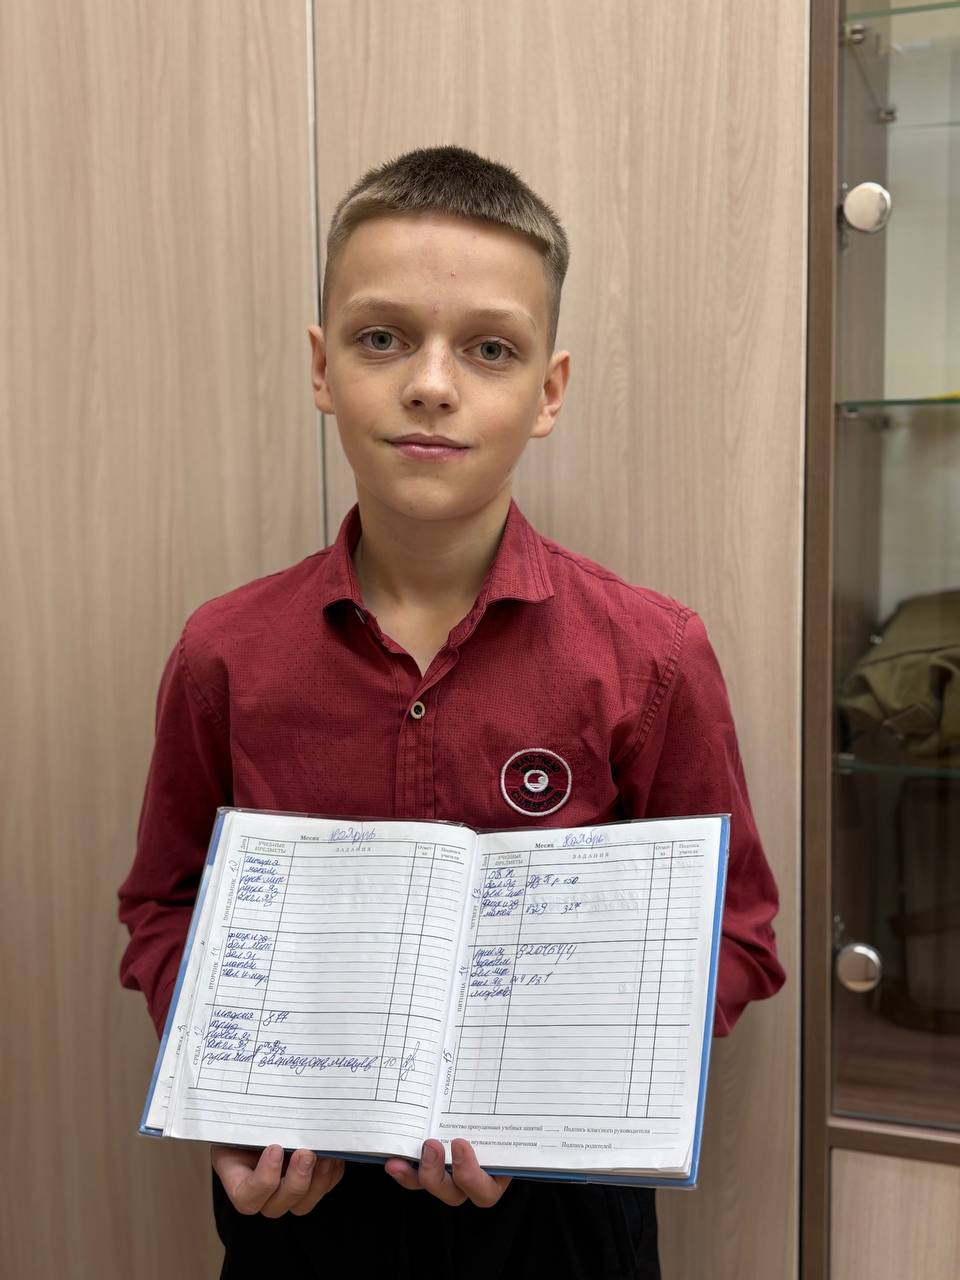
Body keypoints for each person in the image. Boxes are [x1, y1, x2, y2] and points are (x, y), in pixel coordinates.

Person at [118, 144, 785, 1280]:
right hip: (305, 1208)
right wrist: (225, 1094)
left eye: (489, 347)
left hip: (560, 1219)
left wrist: (562, 1091)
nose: (431, 383)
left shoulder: (651, 655)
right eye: (383, 338)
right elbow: (165, 903)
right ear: (323, 368)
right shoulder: (224, 653)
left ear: (549, 391)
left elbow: (739, 933)